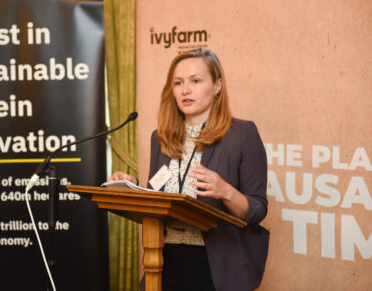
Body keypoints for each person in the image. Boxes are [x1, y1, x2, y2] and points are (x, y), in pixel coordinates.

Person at [107, 49, 269, 291]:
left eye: (196, 81)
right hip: (164, 261)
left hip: (216, 265)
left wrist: (226, 191)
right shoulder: (161, 138)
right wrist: (132, 187)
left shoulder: (242, 135)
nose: (185, 90)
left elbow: (257, 210)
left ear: (217, 86)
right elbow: (160, 197)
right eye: (178, 83)